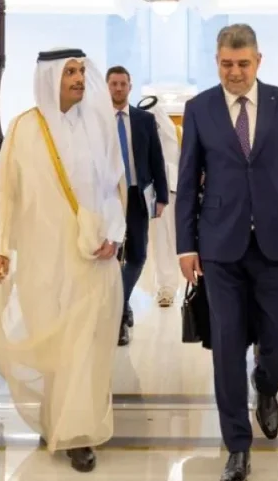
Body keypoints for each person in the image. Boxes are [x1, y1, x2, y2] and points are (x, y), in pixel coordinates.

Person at [176, 24, 278, 481]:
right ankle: (237, 446)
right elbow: (187, 180)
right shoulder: (200, 109)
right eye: (226, 64)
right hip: (219, 248)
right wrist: (185, 245)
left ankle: (267, 383)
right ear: (216, 62)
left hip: (277, 243)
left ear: (258, 61)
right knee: (226, 347)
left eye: (242, 63)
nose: (234, 72)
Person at [0, 48, 127, 473]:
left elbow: (114, 188)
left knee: (85, 344)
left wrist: (114, 235)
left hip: (92, 257)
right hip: (42, 258)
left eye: (81, 71)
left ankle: (80, 434)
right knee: (55, 343)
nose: (79, 79)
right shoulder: (24, 129)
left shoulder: (98, 124)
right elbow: (4, 193)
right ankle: (57, 421)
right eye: (70, 72)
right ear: (50, 78)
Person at [106, 66, 169, 345]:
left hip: (137, 196)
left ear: (130, 87)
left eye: (123, 84)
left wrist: (162, 196)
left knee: (138, 255)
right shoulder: (97, 121)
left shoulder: (145, 120)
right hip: (108, 198)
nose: (119, 88)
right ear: (107, 87)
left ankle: (121, 303)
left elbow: (157, 158)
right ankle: (119, 316)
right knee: (110, 258)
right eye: (114, 84)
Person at [137, 95, 182, 307]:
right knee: (157, 242)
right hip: (149, 195)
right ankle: (164, 287)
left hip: (174, 193)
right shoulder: (140, 132)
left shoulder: (177, 133)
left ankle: (174, 285)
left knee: (174, 240)